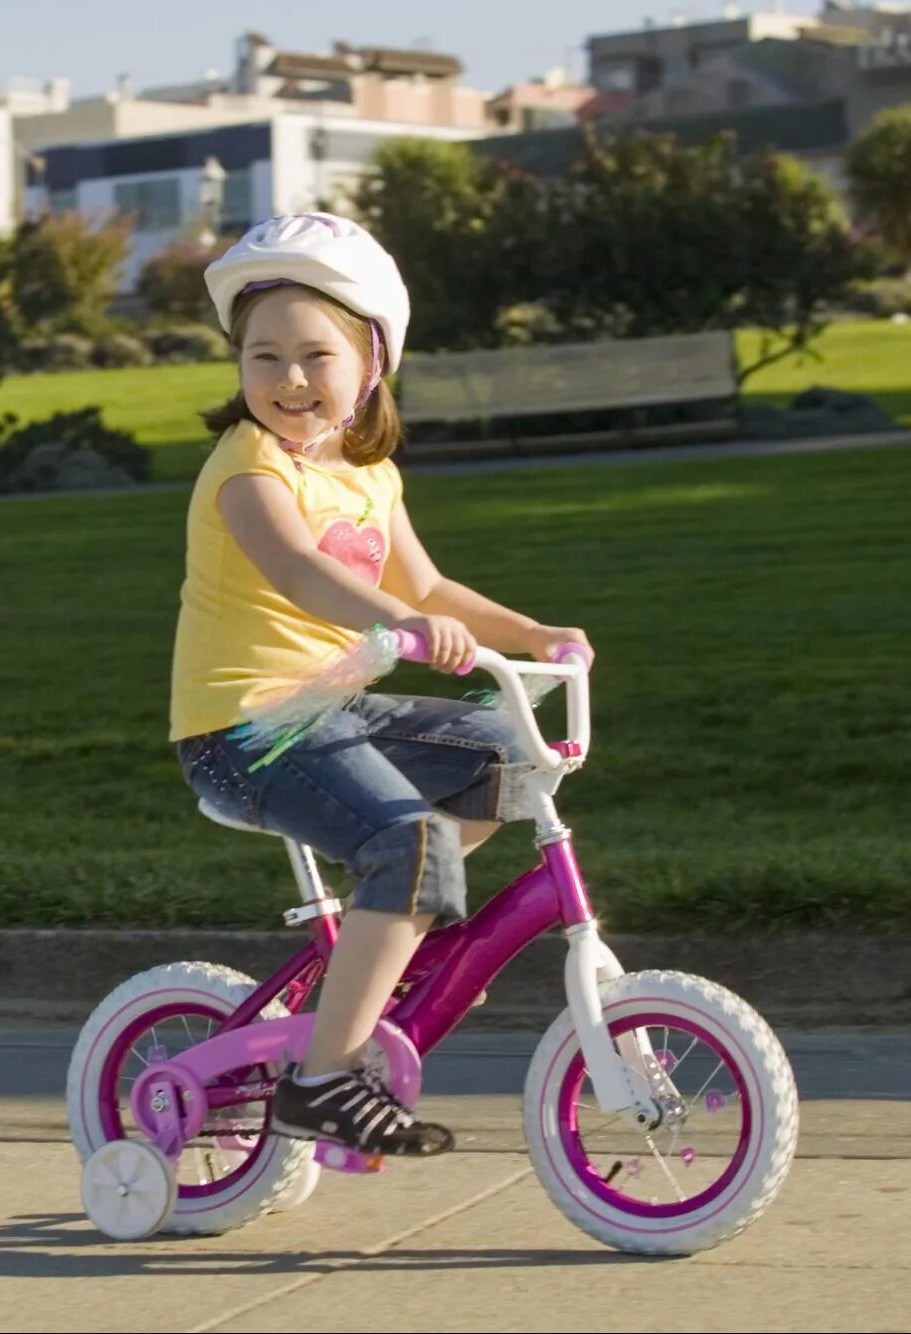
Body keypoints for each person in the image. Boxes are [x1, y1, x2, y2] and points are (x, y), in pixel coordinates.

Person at [169, 213, 591, 1158]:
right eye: (262, 356)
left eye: (313, 356)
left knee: (503, 754)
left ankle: (396, 944)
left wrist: (531, 634)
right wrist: (393, 624)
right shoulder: (248, 468)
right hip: (244, 730)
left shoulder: (369, 475)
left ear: (370, 364)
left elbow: (429, 587)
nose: (285, 380)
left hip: (334, 713)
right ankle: (320, 1081)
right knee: (411, 849)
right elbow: (294, 569)